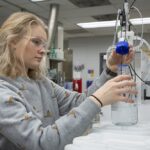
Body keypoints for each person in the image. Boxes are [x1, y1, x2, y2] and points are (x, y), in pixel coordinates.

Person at [0, 12, 136, 150]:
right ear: (13, 42)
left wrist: (110, 70)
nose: (43, 50)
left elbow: (79, 102)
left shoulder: (42, 82)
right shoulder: (3, 92)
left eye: (44, 44)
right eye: (36, 42)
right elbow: (40, 143)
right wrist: (97, 100)